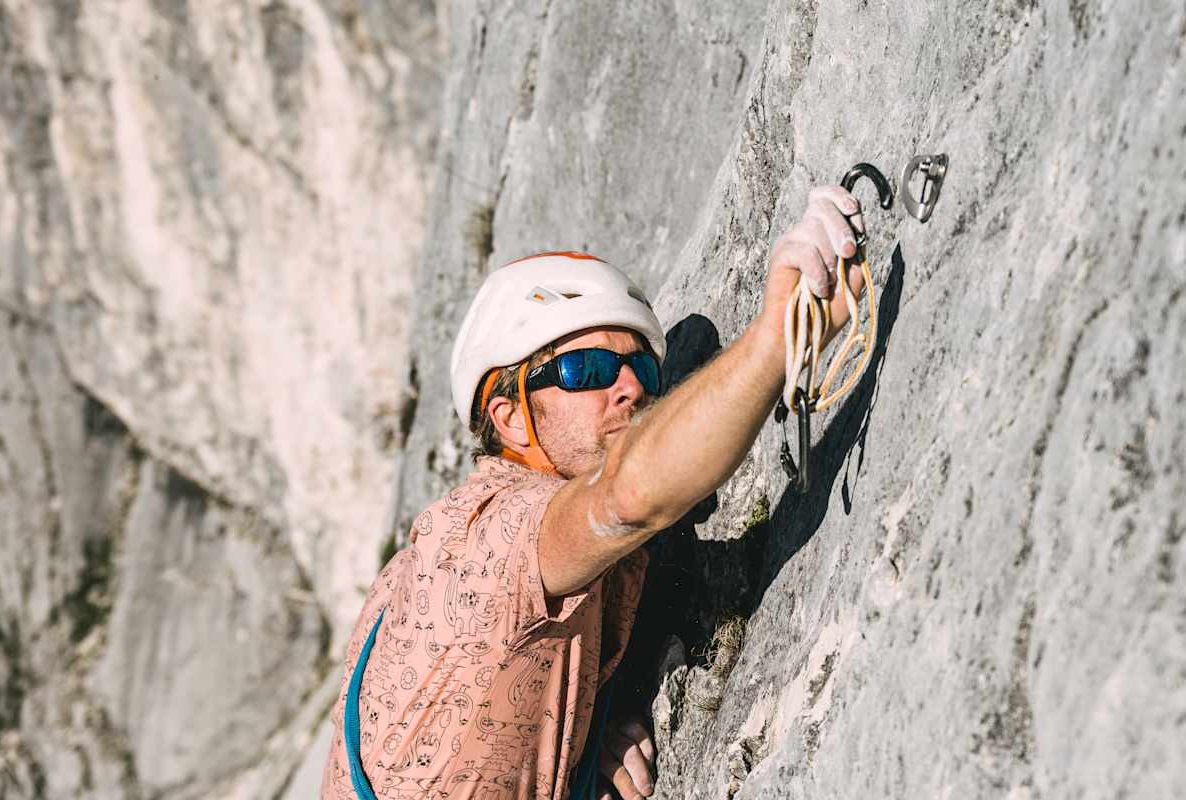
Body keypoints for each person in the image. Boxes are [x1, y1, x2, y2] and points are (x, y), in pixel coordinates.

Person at [321, 185, 867, 800]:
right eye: (587, 371)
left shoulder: (443, 564)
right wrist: (778, 335)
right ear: (510, 417)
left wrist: (596, 715)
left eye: (644, 369)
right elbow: (626, 498)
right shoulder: (488, 541)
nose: (630, 387)